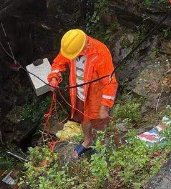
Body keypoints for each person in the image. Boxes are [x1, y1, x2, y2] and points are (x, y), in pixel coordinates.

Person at [47, 29, 118, 157]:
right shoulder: (71, 47)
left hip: (95, 95)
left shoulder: (100, 52)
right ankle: (88, 140)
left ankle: (102, 146)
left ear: (83, 48)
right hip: (79, 93)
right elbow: (59, 62)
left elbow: (110, 82)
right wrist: (53, 78)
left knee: (99, 121)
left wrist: (104, 107)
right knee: (84, 119)